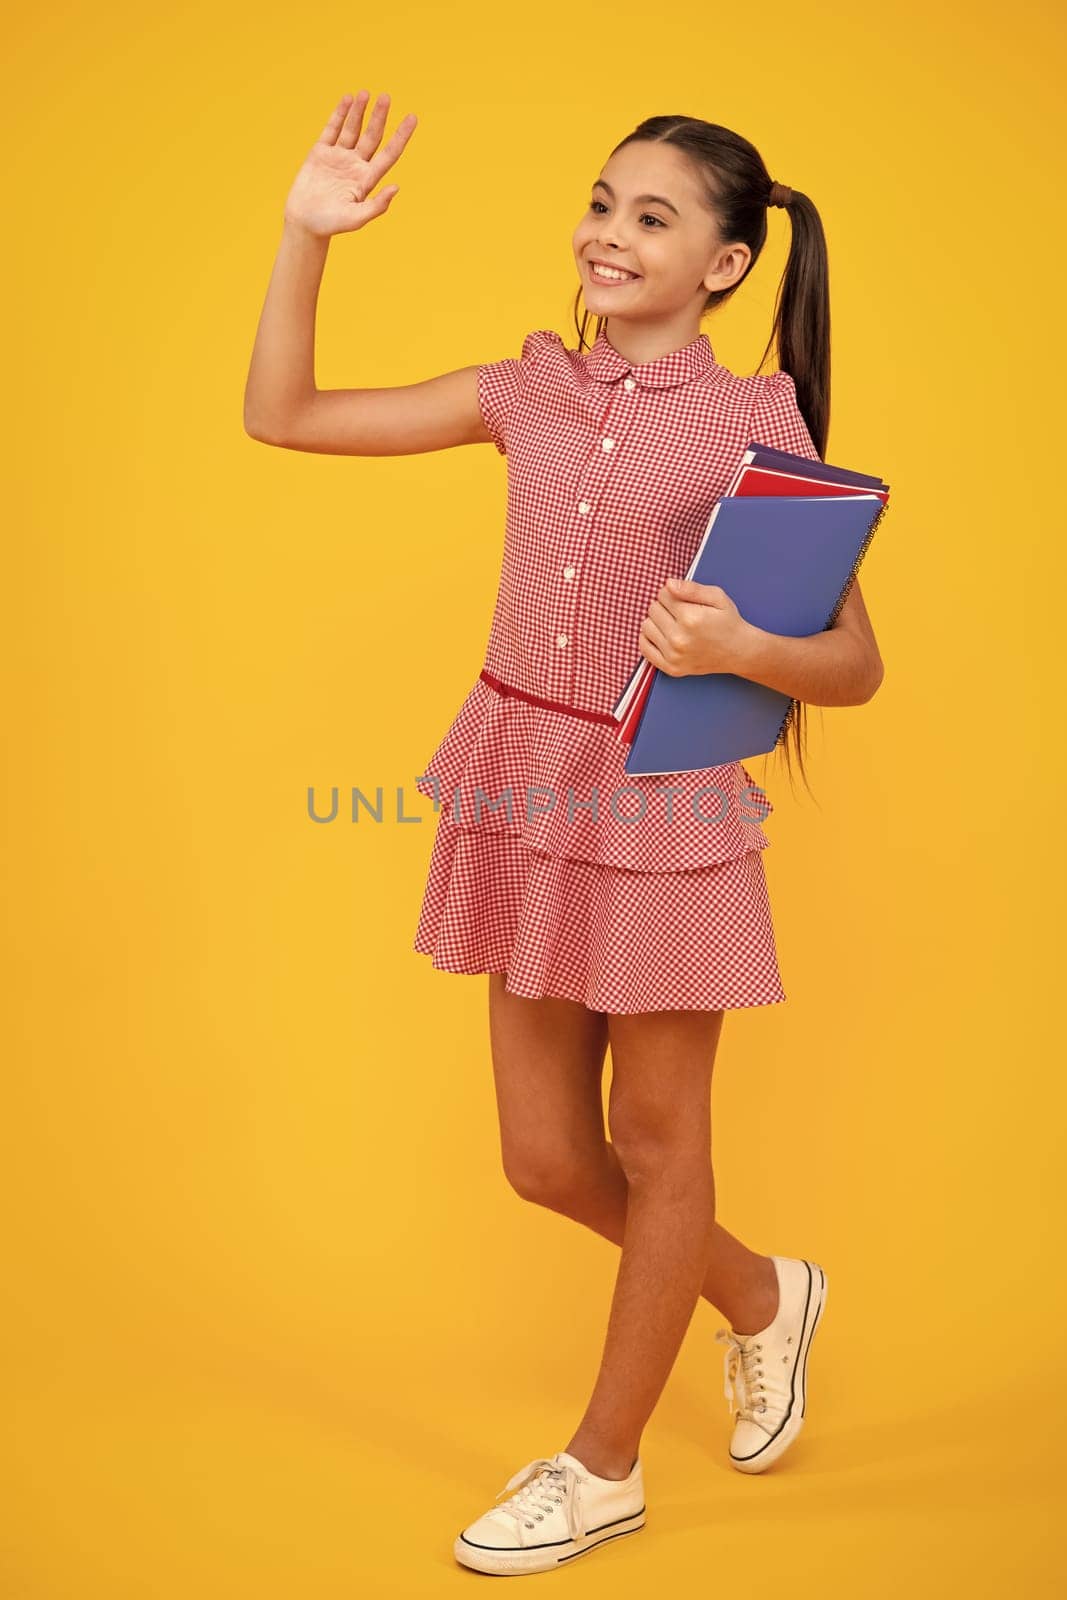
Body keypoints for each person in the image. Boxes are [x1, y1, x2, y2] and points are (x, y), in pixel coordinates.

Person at [244, 88, 885, 1578]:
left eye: (652, 216)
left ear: (727, 265)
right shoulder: (526, 390)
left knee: (662, 1148)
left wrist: (743, 649)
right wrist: (303, 238)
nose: (607, 233)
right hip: (524, 782)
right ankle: (767, 1296)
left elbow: (853, 665)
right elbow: (283, 416)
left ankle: (600, 1470)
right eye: (602, 203)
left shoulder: (756, 423)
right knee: (544, 1158)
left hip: (661, 805)